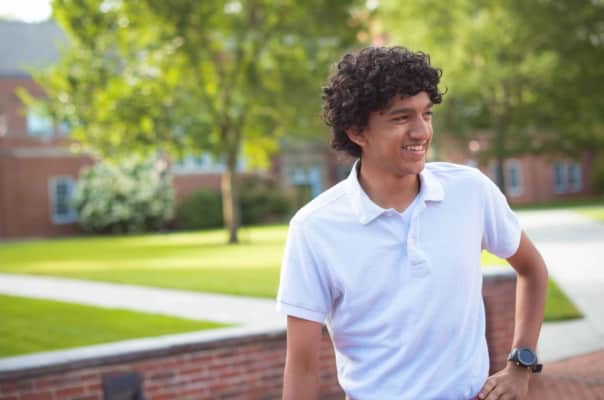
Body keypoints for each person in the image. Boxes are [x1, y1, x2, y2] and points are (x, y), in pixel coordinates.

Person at [276, 46, 548, 400]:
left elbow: (532, 269)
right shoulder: (314, 228)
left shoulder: (470, 191)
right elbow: (301, 366)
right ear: (357, 131)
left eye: (427, 114)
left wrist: (521, 365)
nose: (421, 131)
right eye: (401, 118)